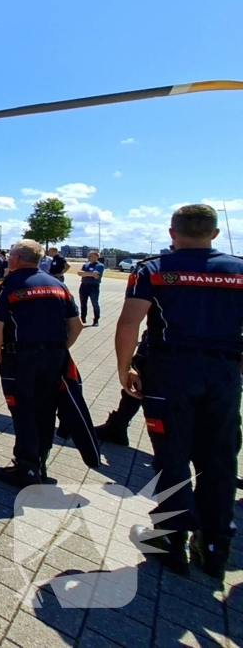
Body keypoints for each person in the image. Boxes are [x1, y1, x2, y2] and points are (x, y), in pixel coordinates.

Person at [117, 204, 243, 580]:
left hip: (170, 372)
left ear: (171, 232)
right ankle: (215, 545)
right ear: (215, 234)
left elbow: (128, 323)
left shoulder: (153, 269)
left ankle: (171, 539)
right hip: (223, 373)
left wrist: (125, 370)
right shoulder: (238, 270)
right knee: (219, 460)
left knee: (172, 459)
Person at [0, 239, 83, 487]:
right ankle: (40, 464)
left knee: (23, 412)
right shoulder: (58, 285)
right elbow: (76, 325)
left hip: (20, 358)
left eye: (10, 254)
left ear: (17, 258)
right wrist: (60, 350)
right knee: (46, 410)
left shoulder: (7, 284)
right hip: (54, 358)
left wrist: (0, 358)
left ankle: (26, 469)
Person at [77, 250, 104, 326]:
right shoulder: (86, 265)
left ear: (96, 257)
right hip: (84, 286)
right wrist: (90, 274)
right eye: (88, 256)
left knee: (94, 303)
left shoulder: (99, 266)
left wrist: (85, 274)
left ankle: (96, 320)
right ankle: (83, 318)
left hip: (93, 287)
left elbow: (96, 276)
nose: (88, 257)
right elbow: (79, 273)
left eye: (90, 256)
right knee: (83, 303)